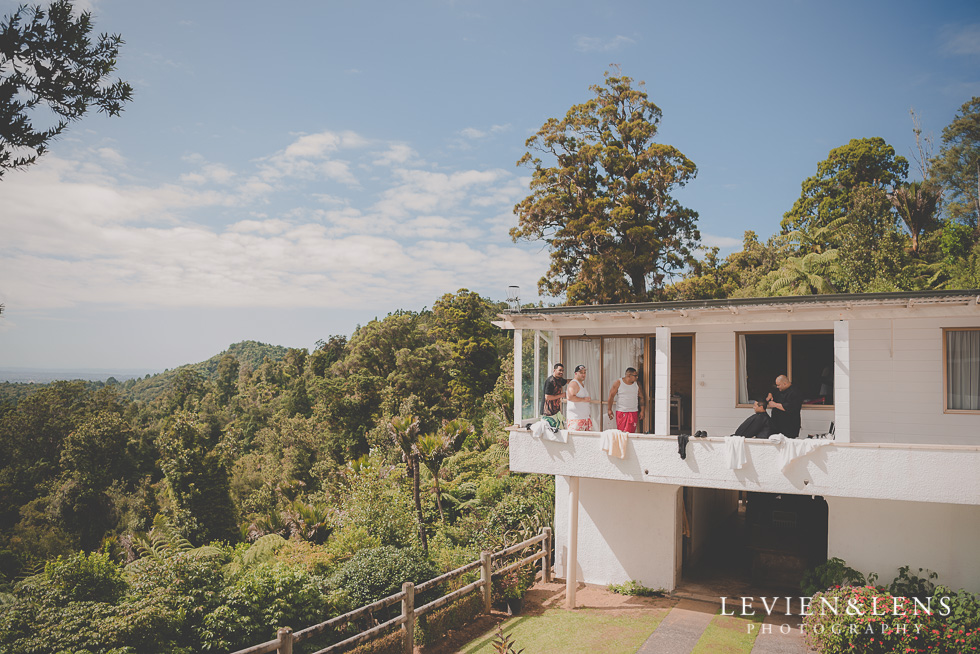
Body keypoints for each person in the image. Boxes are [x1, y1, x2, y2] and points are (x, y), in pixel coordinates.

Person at [606, 367, 644, 433]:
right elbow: (611, 396)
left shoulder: (637, 384)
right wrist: (609, 409)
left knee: (631, 433)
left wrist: (642, 411)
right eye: (635, 376)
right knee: (621, 433)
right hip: (621, 411)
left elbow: (641, 397)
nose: (637, 377)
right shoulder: (618, 382)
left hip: (633, 412)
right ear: (629, 375)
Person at [565, 364, 593, 431]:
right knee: (576, 440)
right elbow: (570, 397)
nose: (583, 375)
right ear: (575, 373)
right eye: (581, 373)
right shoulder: (574, 383)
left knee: (586, 440)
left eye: (584, 373)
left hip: (585, 418)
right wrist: (584, 399)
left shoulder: (581, 384)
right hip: (576, 419)